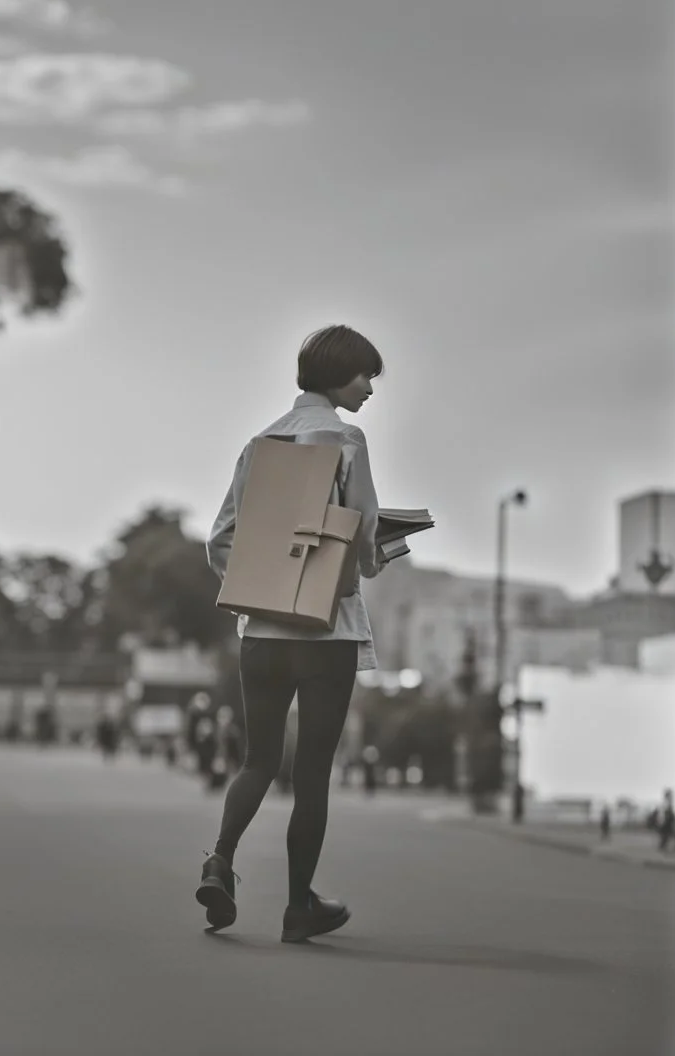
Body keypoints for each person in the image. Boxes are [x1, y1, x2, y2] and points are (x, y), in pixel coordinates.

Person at [196, 324, 387, 942]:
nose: (369, 389)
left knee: (258, 759)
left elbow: (219, 540)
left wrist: (263, 588)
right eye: (364, 376)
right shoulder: (347, 438)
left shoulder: (260, 443)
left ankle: (220, 861)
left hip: (264, 635)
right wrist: (377, 557)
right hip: (327, 637)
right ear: (337, 373)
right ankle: (299, 906)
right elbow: (361, 534)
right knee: (311, 776)